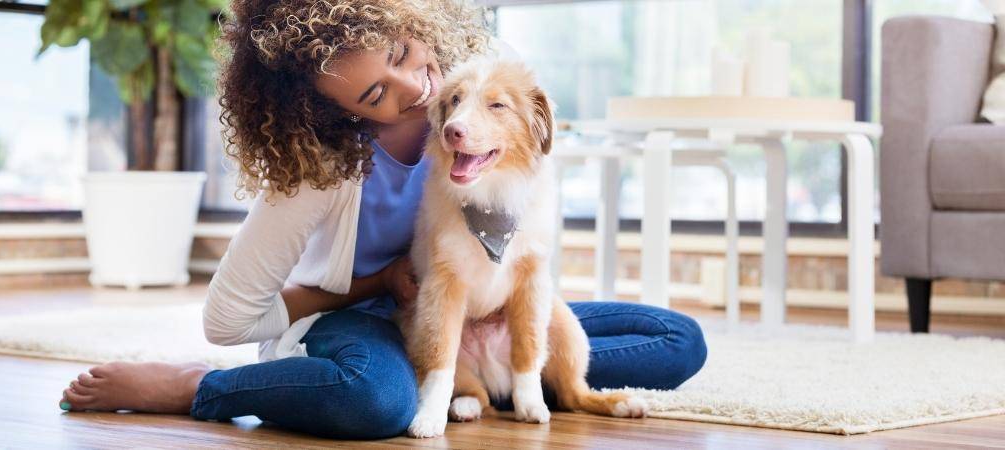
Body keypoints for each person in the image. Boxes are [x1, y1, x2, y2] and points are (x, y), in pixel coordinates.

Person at [58, 0, 707, 439]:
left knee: (678, 342)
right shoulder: (317, 170)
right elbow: (225, 318)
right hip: (363, 318)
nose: (416, 89)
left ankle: (481, 380)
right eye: (376, 93)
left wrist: (514, 318)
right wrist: (378, 283)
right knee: (376, 401)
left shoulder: (467, 100)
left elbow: (525, 180)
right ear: (336, 112)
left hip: (480, 304)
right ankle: (207, 388)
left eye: (402, 52)